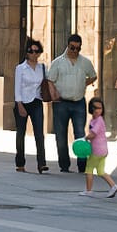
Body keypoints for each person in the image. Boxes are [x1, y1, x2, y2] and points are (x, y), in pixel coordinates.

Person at [46, 34, 97, 173]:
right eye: (72, 48)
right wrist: (53, 94)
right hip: (61, 103)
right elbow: (50, 80)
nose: (74, 51)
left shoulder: (85, 62)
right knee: (61, 135)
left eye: (77, 48)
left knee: (80, 134)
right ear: (67, 46)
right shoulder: (58, 62)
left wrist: (83, 84)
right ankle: (64, 165)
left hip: (78, 102)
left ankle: (82, 165)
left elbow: (93, 75)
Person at [13, 40, 48, 174]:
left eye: (36, 51)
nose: (33, 54)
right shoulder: (20, 68)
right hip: (23, 102)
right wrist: (19, 104)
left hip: (36, 101)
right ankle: (20, 162)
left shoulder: (42, 68)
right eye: (30, 51)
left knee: (39, 133)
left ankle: (41, 163)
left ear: (39, 53)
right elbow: (17, 88)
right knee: (20, 133)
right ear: (27, 53)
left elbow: (47, 83)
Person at [81, 96, 117, 198]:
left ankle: (89, 190)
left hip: (96, 151)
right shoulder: (94, 120)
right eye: (96, 108)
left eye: (100, 108)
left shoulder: (99, 121)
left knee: (89, 169)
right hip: (103, 151)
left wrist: (85, 138)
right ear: (91, 109)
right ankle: (113, 186)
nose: (98, 110)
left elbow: (93, 134)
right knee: (100, 171)